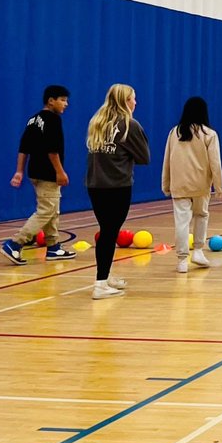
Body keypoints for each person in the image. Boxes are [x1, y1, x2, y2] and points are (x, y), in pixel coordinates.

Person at [85, 84, 150, 299]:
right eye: (133, 99)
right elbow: (144, 157)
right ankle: (100, 284)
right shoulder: (130, 124)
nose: (135, 103)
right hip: (117, 186)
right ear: (125, 101)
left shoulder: (97, 122)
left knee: (106, 231)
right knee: (109, 233)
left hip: (95, 185)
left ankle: (106, 274)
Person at [2, 84, 75, 264]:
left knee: (52, 210)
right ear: (51, 101)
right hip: (48, 172)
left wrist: (19, 171)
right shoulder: (53, 119)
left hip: (34, 171)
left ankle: (53, 247)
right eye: (63, 100)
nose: (66, 104)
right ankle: (15, 244)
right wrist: (60, 172)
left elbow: (23, 148)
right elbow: (53, 150)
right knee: (46, 211)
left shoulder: (33, 120)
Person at [161, 97, 222, 274]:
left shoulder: (175, 132)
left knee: (181, 222)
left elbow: (167, 160)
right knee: (201, 216)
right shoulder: (209, 134)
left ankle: (182, 260)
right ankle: (197, 251)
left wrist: (165, 183)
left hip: (179, 185)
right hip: (201, 185)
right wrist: (218, 186)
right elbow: (215, 163)